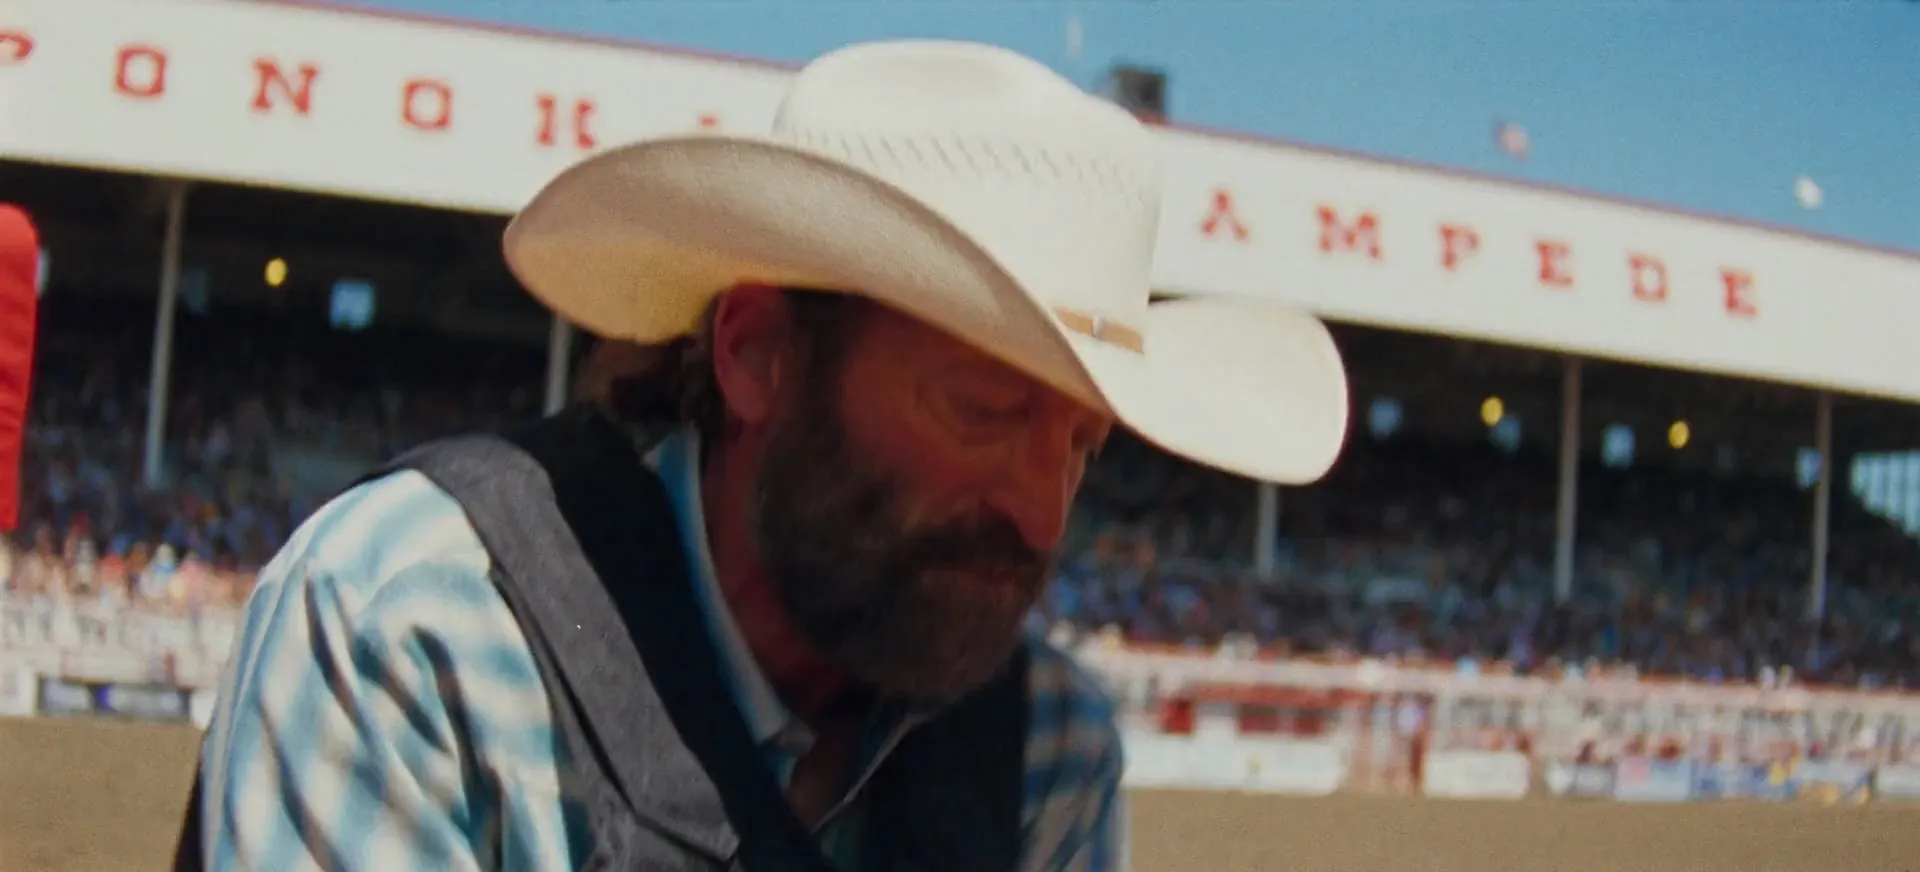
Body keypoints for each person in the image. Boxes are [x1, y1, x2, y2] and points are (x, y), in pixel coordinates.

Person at [179, 39, 1349, 871]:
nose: (1043, 516)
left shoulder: (1046, 747)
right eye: (983, 412)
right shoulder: (416, 627)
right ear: (754, 354)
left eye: (1082, 445)